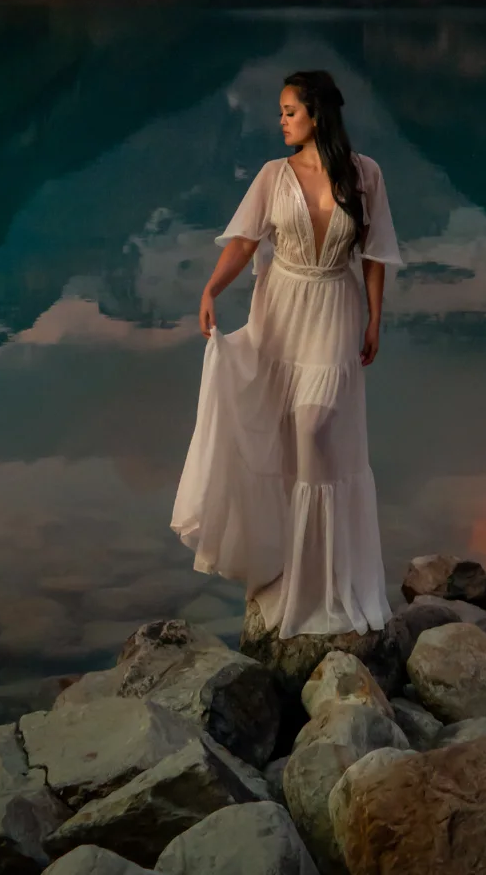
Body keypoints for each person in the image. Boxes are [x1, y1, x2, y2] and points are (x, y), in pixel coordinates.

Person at [171, 69, 401, 638]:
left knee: (317, 432)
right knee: (283, 437)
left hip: (334, 310)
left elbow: (373, 254)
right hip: (279, 314)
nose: (281, 121)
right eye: (280, 111)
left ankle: (326, 582)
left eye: (289, 111)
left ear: (316, 115)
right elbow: (246, 243)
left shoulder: (365, 174)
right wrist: (210, 290)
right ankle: (284, 573)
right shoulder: (274, 176)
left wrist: (376, 317)